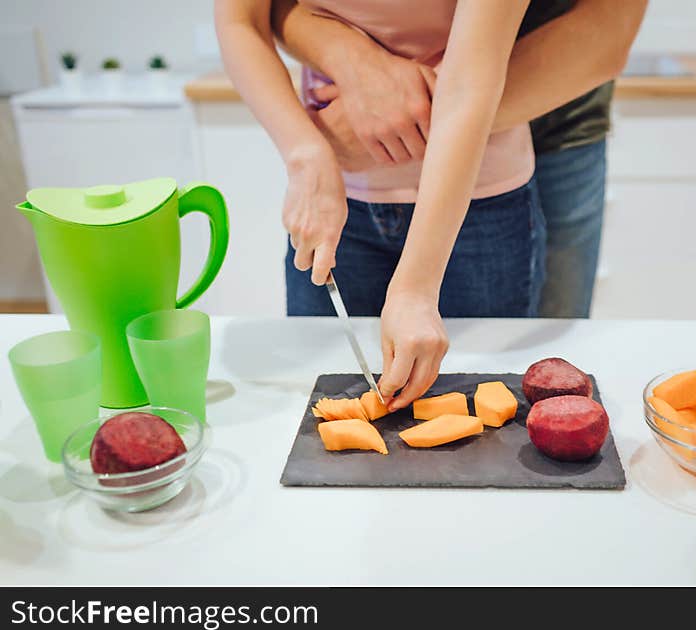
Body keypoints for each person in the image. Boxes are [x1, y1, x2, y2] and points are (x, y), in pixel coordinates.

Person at [215, 0, 537, 412]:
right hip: (338, 202)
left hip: (483, 201)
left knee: (485, 415)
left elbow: (468, 84)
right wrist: (306, 154)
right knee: (317, 406)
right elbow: (240, 22)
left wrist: (417, 290)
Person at [272, 0, 647, 318]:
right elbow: (261, 13)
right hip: (362, 162)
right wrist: (352, 58)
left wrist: (402, 117)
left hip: (551, 126)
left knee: (537, 372)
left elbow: (608, 28)